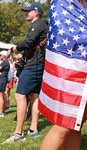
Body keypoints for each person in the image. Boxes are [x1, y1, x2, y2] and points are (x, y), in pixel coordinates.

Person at [38, 0, 87, 149]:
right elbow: (61, 36)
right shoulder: (61, 2)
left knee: (76, 125)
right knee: (63, 127)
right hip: (72, 71)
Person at [3, 3, 48, 143]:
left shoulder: (38, 23)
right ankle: (33, 130)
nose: (25, 13)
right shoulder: (42, 24)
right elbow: (35, 45)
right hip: (38, 64)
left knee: (19, 95)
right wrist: (23, 55)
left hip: (33, 66)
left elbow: (28, 42)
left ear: (36, 12)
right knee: (35, 96)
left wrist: (13, 48)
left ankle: (18, 133)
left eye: (28, 11)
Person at [0, 51, 10, 117]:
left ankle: (1, 113)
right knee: (2, 96)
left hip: (1, 80)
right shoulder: (7, 62)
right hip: (4, 80)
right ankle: (2, 111)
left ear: (3, 55)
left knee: (1, 96)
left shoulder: (4, 62)